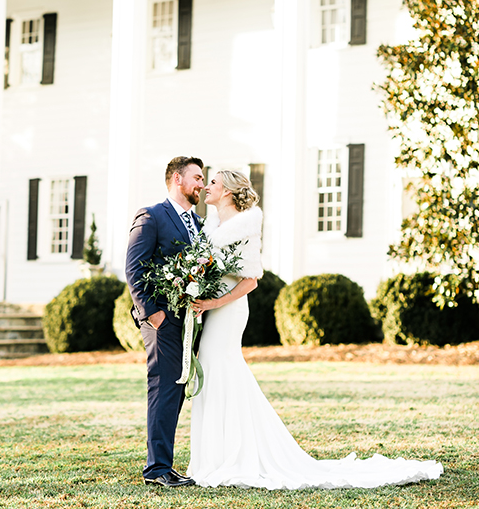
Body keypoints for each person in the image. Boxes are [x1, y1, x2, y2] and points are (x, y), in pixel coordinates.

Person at [188, 169, 443, 490]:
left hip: (229, 310)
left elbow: (250, 280)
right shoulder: (212, 227)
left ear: (226, 191)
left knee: (220, 367)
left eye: (212, 182)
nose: (206, 187)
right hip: (212, 309)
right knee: (212, 372)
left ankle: (234, 455)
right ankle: (215, 454)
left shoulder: (245, 226)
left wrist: (213, 303)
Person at [126, 155, 204, 488]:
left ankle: (166, 464)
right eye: (197, 177)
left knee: (176, 389)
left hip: (190, 320)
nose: (202, 183)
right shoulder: (152, 216)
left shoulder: (199, 224)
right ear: (176, 179)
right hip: (161, 320)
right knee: (163, 389)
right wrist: (153, 314)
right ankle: (157, 469)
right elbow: (134, 268)